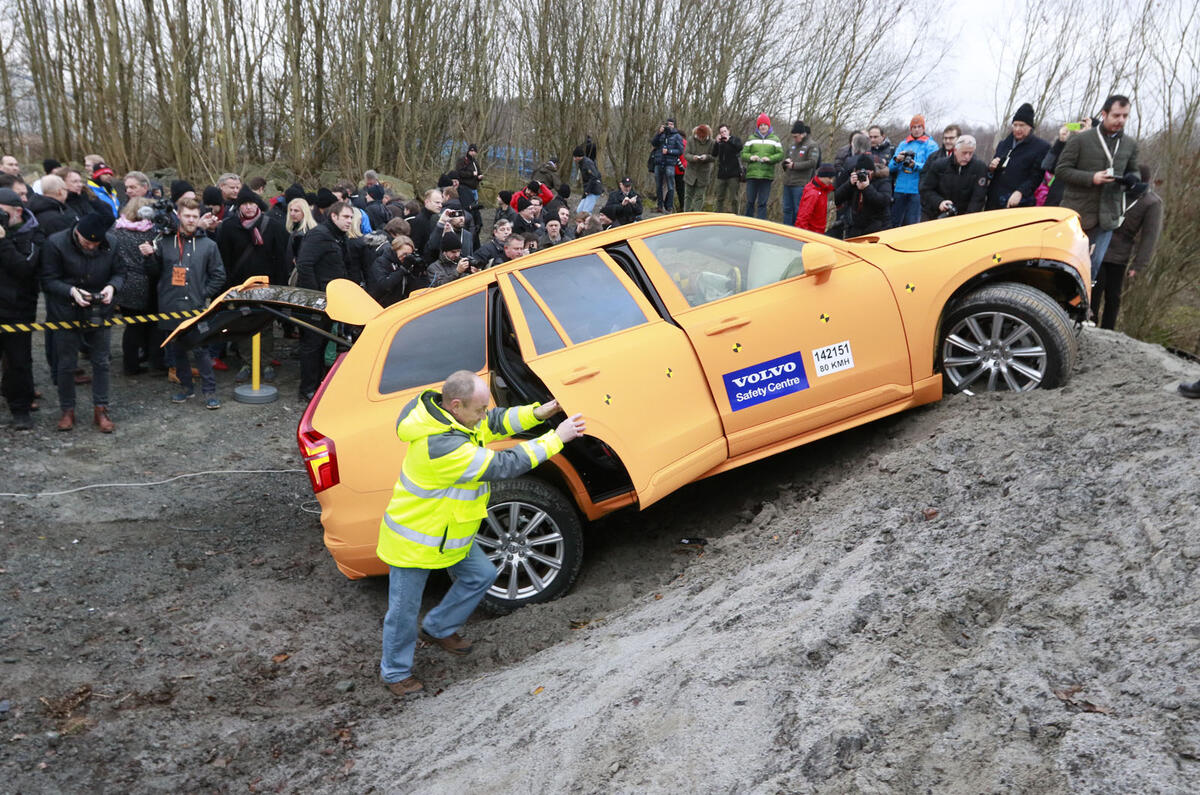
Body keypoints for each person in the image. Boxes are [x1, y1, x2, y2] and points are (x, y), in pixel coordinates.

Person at [377, 370, 585, 695]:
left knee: (482, 574)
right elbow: (503, 465)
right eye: (479, 410)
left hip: (448, 534)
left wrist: (538, 412)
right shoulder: (442, 446)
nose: (484, 416)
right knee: (403, 612)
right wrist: (557, 437)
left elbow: (499, 421)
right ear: (456, 405)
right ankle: (395, 674)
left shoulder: (459, 422)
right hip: (414, 542)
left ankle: (438, 627)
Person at [137, 197, 226, 408]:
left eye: (195, 216)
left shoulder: (209, 245)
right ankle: (186, 388)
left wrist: (204, 293)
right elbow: (153, 273)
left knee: (201, 350)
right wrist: (149, 257)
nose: (191, 220)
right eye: (187, 215)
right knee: (176, 351)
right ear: (179, 216)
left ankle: (209, 391)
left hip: (196, 308)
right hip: (169, 306)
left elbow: (219, 275)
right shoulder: (163, 241)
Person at [41, 210, 124, 431]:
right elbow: (48, 280)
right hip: (65, 312)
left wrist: (111, 287)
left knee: (102, 362)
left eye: (95, 244)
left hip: (100, 311)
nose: (91, 247)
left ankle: (101, 408)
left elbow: (120, 272)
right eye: (87, 243)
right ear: (77, 233)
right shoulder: (55, 243)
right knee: (66, 364)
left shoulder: (111, 243)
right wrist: (71, 291)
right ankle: (67, 410)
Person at [1055, 94, 1139, 281]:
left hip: (1107, 217)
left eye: (1125, 116)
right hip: (1077, 214)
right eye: (1116, 115)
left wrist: (1132, 180)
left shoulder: (1130, 144)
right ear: (1104, 114)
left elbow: (1134, 171)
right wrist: (1091, 178)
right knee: (1066, 267)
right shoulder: (1081, 140)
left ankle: (1082, 309)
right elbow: (1061, 170)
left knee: (1090, 271)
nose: (1121, 120)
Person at [217, 186, 289, 381]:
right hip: (240, 286)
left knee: (265, 325)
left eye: (252, 203)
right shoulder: (229, 227)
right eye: (244, 204)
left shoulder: (272, 226)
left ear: (258, 204)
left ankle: (265, 363)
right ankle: (248, 362)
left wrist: (281, 287)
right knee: (243, 324)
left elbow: (281, 258)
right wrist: (226, 288)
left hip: (267, 285)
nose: (248, 207)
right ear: (239, 206)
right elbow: (224, 259)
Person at [295, 200, 355, 400]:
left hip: (332, 300)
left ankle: (318, 384)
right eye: (346, 217)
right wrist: (316, 297)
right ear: (334, 216)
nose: (349, 221)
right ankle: (307, 389)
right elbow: (304, 264)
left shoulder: (338, 237)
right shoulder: (319, 235)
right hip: (317, 301)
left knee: (322, 343)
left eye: (351, 217)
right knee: (312, 344)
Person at [1093, 165, 1161, 330]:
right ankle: (1089, 323)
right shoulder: (1116, 191)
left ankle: (1108, 330)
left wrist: (1139, 264)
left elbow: (1150, 236)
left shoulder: (1152, 202)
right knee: (1094, 288)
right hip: (1099, 246)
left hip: (1121, 254)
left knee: (1113, 296)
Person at [0, 187, 40, 428]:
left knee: (18, 363)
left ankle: (20, 410)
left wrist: (3, 242)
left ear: (17, 211)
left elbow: (25, 269)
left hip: (18, 310)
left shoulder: (33, 235)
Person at [110, 197, 162, 375]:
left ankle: (130, 363)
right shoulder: (150, 233)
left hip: (124, 282)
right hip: (145, 282)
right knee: (151, 324)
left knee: (131, 326)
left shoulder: (116, 230)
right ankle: (152, 360)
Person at [987, 103, 1051, 210]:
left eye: (1021, 125)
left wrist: (1021, 192)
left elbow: (1036, 176)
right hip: (994, 200)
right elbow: (993, 170)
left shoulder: (1041, 147)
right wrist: (991, 168)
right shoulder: (1003, 144)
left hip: (1017, 203)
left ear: (1030, 127)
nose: (1017, 129)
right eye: (1015, 125)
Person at [919, 135, 989, 218]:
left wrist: (968, 217)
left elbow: (978, 197)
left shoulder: (979, 167)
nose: (967, 157)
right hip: (938, 214)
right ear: (955, 151)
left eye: (970, 153)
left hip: (965, 216)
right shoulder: (939, 165)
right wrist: (939, 202)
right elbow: (926, 189)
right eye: (964, 153)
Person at [888, 116, 940, 226]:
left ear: (923, 128)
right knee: (894, 224)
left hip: (917, 191)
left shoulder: (931, 145)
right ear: (910, 129)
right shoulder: (903, 144)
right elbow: (891, 167)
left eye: (919, 127)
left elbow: (932, 167)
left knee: (912, 224)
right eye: (914, 127)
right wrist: (897, 160)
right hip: (900, 189)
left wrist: (915, 165)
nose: (916, 129)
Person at [834, 154, 892, 237]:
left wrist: (867, 188)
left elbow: (883, 202)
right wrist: (849, 184)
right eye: (859, 172)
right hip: (856, 227)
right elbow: (837, 199)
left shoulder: (883, 181)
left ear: (872, 171)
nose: (863, 175)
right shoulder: (854, 183)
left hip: (878, 227)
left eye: (866, 172)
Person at [741, 114, 783, 219]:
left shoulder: (775, 139)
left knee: (762, 203)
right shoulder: (751, 138)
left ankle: (760, 226)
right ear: (758, 126)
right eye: (760, 125)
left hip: (766, 175)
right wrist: (751, 157)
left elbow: (780, 155)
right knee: (750, 201)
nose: (763, 127)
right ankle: (748, 224)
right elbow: (743, 154)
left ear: (769, 126)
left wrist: (770, 159)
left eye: (765, 125)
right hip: (752, 175)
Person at [367, 235, 427, 307]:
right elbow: (385, 285)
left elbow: (413, 288)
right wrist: (402, 270)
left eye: (409, 255)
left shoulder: (408, 264)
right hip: (381, 305)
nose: (407, 258)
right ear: (394, 250)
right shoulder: (381, 262)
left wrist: (418, 273)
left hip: (400, 304)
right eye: (404, 254)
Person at [780, 121, 821, 226]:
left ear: (803, 134)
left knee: (798, 210)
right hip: (788, 182)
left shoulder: (812, 145)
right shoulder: (792, 146)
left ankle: (796, 232)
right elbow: (785, 159)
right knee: (787, 209)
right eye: (793, 137)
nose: (795, 139)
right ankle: (786, 231)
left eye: (796, 136)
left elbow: (813, 162)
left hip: (800, 183)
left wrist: (794, 165)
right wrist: (785, 164)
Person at [651, 118, 685, 213]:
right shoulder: (661, 134)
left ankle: (669, 207)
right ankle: (660, 206)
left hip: (670, 163)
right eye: (668, 124)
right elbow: (653, 143)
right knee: (658, 185)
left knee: (670, 185)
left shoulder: (677, 136)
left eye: (671, 124)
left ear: (674, 126)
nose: (669, 126)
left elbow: (680, 150)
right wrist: (659, 133)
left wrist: (669, 151)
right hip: (659, 162)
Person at [794, 164, 836, 234]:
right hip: (812, 234)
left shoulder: (823, 189)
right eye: (830, 178)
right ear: (822, 176)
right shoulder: (813, 194)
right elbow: (802, 218)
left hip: (818, 232)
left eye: (833, 178)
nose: (831, 181)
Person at [683, 124, 716, 212]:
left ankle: (696, 215)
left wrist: (706, 157)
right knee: (687, 195)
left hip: (703, 174)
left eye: (703, 137)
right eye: (699, 137)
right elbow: (686, 154)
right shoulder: (690, 140)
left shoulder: (712, 142)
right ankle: (685, 214)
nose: (701, 139)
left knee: (699, 197)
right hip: (690, 173)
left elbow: (714, 157)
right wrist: (693, 158)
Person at [712, 124, 744, 214]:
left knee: (734, 198)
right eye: (721, 132)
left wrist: (729, 140)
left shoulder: (735, 140)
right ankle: (718, 215)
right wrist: (716, 143)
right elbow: (714, 154)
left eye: (724, 131)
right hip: (721, 174)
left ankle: (736, 215)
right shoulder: (720, 143)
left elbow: (739, 147)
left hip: (733, 174)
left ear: (728, 131)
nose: (723, 133)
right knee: (719, 197)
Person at [573, 147, 605, 214]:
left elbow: (594, 177)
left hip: (593, 190)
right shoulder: (581, 163)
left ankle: (589, 224)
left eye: (574, 157)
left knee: (586, 212)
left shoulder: (587, 163)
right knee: (579, 211)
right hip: (588, 189)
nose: (574, 159)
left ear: (578, 157)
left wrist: (587, 190)